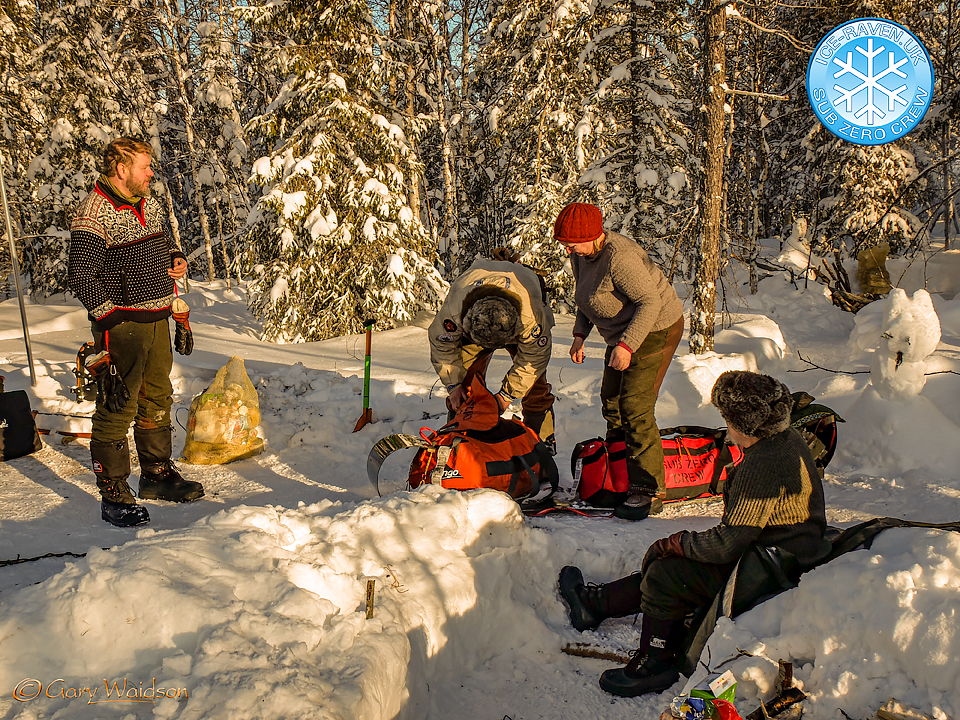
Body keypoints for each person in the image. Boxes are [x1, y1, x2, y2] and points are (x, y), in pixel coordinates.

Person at [558, 371, 832, 697]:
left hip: (772, 567)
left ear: (746, 425)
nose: (727, 430)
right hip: (785, 551)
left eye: (729, 420)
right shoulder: (787, 438)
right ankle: (596, 604)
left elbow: (728, 543)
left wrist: (675, 542)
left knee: (667, 571)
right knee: (674, 563)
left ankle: (654, 663)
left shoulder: (763, 463)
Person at [68, 137, 204, 528]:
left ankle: (156, 476)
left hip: (158, 315)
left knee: (157, 395)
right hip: (121, 324)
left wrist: (175, 259)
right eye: (144, 166)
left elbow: (165, 242)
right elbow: (82, 274)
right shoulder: (93, 212)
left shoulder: (150, 203)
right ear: (121, 168)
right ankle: (113, 492)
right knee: (118, 403)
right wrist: (107, 318)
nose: (151, 173)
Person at [556, 203, 684, 518]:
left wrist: (627, 345)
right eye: (564, 242)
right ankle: (619, 474)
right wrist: (579, 335)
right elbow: (586, 297)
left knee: (635, 407)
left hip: (656, 328)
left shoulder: (620, 258)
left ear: (591, 235)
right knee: (611, 401)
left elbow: (649, 302)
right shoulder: (581, 255)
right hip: (621, 335)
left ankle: (648, 489)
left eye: (570, 242)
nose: (566, 247)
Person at [429, 254, 556, 452]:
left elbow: (534, 359)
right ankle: (459, 436)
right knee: (465, 384)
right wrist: (453, 385)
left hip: (521, 303)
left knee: (535, 385)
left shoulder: (530, 317)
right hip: (474, 317)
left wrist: (507, 395)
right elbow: (442, 346)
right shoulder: (455, 310)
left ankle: (542, 441)